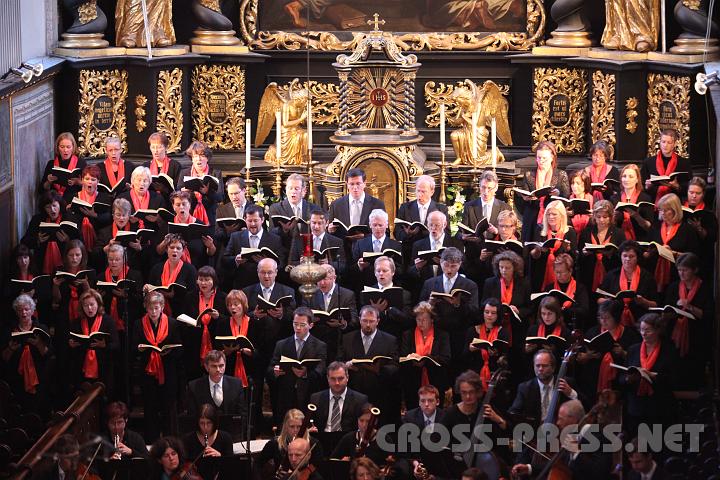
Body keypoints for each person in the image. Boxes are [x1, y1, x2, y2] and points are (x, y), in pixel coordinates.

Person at [511, 399, 612, 479]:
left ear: (574, 419)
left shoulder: (598, 435)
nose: (558, 423)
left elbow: (600, 473)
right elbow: (559, 466)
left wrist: (577, 452)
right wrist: (529, 468)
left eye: (561, 419)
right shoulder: (573, 436)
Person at [419, 247, 479, 375]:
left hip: (459, 333)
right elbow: (419, 311)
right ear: (440, 263)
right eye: (446, 265)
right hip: (436, 334)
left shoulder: (470, 285)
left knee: (457, 369)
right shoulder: (429, 283)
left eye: (454, 266)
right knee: (437, 370)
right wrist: (430, 304)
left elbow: (475, 313)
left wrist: (458, 304)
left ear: (460, 264)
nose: (449, 269)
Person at [618, 313, 679, 437]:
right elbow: (621, 377)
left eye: (647, 330)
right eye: (641, 330)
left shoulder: (668, 351)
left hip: (659, 407)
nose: (643, 333)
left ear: (658, 330)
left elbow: (674, 379)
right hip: (636, 407)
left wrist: (653, 376)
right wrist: (627, 379)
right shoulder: (633, 350)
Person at [133, 291, 182, 442]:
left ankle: (170, 441)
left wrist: (168, 352)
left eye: (156, 307)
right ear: (145, 308)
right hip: (148, 373)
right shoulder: (138, 324)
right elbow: (134, 347)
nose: (153, 311)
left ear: (162, 307)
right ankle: (151, 441)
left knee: (168, 409)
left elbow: (180, 349)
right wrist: (140, 350)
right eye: (150, 308)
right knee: (150, 408)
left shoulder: (172, 323)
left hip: (167, 372)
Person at [339, 306, 399, 423]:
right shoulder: (347, 338)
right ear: (359, 320)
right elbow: (338, 361)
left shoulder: (390, 340)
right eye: (364, 320)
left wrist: (380, 369)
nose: (367, 324)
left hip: (380, 392)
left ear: (378, 321)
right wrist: (346, 366)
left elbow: (395, 365)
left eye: (371, 321)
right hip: (354, 391)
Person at [268, 307, 327, 426]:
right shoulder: (282, 344)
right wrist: (275, 371)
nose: (298, 328)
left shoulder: (320, 346)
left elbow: (320, 371)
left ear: (311, 325)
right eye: (295, 324)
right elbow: (270, 369)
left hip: (308, 395)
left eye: (302, 324)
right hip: (285, 395)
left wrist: (305, 374)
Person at [662, 253, 713, 390]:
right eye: (679, 270)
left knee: (695, 374)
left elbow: (708, 315)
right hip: (675, 336)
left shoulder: (705, 288)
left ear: (695, 270)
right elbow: (667, 309)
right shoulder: (674, 287)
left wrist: (689, 306)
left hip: (697, 337)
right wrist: (668, 314)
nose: (681, 273)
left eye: (685, 270)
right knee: (676, 372)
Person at [576, 300, 641, 404]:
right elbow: (579, 357)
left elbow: (637, 360)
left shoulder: (629, 335)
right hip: (592, 382)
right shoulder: (592, 332)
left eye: (607, 318)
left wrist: (623, 353)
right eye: (600, 317)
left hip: (618, 384)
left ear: (616, 318)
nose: (603, 321)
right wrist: (587, 356)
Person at [1, 294, 53, 418]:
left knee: (40, 412)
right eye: (20, 310)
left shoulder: (41, 328)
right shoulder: (9, 331)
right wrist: (11, 349)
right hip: (16, 380)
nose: (23, 313)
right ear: (16, 311)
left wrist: (38, 344)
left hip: (39, 379)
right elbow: (4, 358)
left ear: (32, 310)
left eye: (26, 309)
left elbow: (48, 354)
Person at [508, 350, 580, 427]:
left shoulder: (567, 382)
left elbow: (585, 406)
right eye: (537, 365)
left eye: (545, 366)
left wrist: (570, 393)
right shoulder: (525, 388)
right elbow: (514, 412)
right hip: (535, 433)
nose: (540, 369)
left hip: (562, 432)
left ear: (553, 368)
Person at [399, 302, 451, 410]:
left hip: (435, 380)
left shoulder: (442, 335)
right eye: (418, 319)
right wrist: (411, 358)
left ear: (432, 319)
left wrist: (427, 359)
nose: (420, 323)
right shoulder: (408, 334)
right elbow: (402, 356)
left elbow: (446, 358)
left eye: (424, 319)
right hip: (413, 381)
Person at [516, 141, 570, 242]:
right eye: (539, 157)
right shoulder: (529, 175)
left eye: (544, 158)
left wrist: (558, 194)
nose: (541, 161)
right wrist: (526, 198)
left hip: (552, 216)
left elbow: (566, 196)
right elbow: (523, 198)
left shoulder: (561, 175)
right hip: (532, 215)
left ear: (552, 158)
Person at [68, 289, 119, 395]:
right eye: (86, 306)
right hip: (82, 368)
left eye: (92, 304)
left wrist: (104, 345)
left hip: (103, 368)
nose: (89, 308)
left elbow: (116, 345)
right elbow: (70, 345)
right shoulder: (76, 323)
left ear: (98, 304)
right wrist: (71, 345)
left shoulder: (108, 321)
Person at [180, 266, 227, 380]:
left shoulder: (223, 297)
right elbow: (183, 316)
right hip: (194, 343)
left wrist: (218, 317)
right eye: (200, 279)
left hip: (215, 343)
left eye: (207, 280)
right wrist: (188, 322)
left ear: (214, 280)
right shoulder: (190, 296)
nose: (203, 283)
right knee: (194, 378)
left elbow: (229, 321)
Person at [223, 204, 285, 289]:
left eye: (255, 220)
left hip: (266, 286)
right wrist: (236, 260)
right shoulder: (235, 237)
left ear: (262, 219)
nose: (252, 224)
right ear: (245, 220)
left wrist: (266, 263)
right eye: (249, 220)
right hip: (242, 285)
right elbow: (225, 260)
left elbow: (281, 263)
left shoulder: (274, 239)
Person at [303, 264, 357, 361]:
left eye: (326, 279)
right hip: (316, 338)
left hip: (338, 339)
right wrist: (309, 320)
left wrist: (343, 324)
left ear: (334, 278)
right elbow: (302, 315)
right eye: (319, 279)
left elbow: (354, 320)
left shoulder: (347, 295)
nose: (322, 283)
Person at [646, 193, 698, 293]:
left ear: (675, 210)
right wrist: (648, 252)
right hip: (654, 273)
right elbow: (648, 246)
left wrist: (673, 253)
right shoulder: (655, 227)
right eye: (661, 210)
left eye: (666, 210)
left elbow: (693, 257)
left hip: (677, 275)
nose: (662, 213)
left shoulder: (687, 230)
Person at [598, 240, 657, 327]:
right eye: (624, 256)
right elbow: (599, 299)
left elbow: (655, 304)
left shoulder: (647, 277)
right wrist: (609, 301)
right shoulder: (612, 274)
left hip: (640, 320)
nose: (627, 259)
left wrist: (644, 301)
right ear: (620, 256)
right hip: (615, 320)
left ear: (637, 258)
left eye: (631, 256)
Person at [394, 175, 448, 268]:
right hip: (410, 254)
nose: (420, 194)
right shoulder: (405, 207)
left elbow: (447, 232)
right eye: (418, 191)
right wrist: (408, 233)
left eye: (423, 191)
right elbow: (397, 232)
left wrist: (430, 232)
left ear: (432, 191)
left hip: (433, 253)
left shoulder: (441, 209)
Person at [21, 191, 80, 276]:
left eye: (54, 206)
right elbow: (24, 242)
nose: (52, 210)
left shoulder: (70, 218)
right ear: (44, 208)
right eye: (48, 207)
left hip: (66, 263)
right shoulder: (37, 219)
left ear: (60, 205)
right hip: (41, 264)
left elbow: (80, 243)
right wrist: (37, 240)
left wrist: (68, 240)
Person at [256, 409, 324, 479]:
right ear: (285, 427)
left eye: (299, 427)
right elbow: (257, 464)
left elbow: (318, 466)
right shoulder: (275, 443)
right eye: (292, 426)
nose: (295, 430)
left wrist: (305, 472)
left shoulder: (314, 444)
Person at [157, 190, 216, 270]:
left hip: (197, 268)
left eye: (184, 204)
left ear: (190, 205)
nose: (181, 207)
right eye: (178, 205)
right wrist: (165, 242)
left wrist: (210, 246)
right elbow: (159, 252)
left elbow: (211, 253)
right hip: (172, 268)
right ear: (173, 207)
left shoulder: (200, 225)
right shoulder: (167, 225)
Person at [527, 200, 577, 292]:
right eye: (548, 214)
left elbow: (574, 259)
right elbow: (533, 256)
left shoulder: (570, 232)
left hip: (561, 275)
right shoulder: (540, 230)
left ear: (561, 216)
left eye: (554, 214)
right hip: (541, 274)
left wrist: (568, 250)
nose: (551, 217)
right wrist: (538, 250)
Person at [65, 164, 113, 259]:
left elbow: (110, 218)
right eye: (87, 179)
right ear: (82, 180)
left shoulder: (104, 198)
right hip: (78, 238)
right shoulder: (72, 197)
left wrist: (95, 215)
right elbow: (68, 221)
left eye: (93, 180)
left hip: (99, 240)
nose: (89, 182)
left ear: (98, 182)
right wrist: (69, 211)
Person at [578, 200, 626, 294]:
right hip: (589, 274)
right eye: (598, 217)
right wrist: (584, 253)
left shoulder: (618, 233)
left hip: (611, 274)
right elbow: (579, 257)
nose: (601, 220)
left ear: (611, 217)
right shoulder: (586, 232)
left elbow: (623, 256)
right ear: (594, 217)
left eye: (605, 217)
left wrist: (610, 254)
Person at [269, 173, 320, 260]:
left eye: (297, 188)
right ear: (286, 190)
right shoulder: (276, 208)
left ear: (303, 191)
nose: (293, 191)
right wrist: (284, 230)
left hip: (308, 253)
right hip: (286, 254)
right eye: (290, 188)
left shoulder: (313, 208)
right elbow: (272, 234)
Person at [145, 234, 197, 317]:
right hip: (157, 312)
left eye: (178, 248)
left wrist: (173, 296)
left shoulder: (190, 269)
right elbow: (150, 289)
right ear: (166, 249)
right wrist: (147, 288)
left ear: (183, 251)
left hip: (181, 313)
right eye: (172, 247)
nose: (175, 250)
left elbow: (193, 295)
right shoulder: (157, 268)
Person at [350, 209, 403, 290]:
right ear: (370, 225)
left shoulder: (396, 245)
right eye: (374, 225)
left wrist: (389, 268)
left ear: (386, 225)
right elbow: (351, 269)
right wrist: (359, 266)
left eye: (380, 225)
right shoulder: (360, 244)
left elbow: (401, 270)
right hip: (365, 286)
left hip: (388, 288)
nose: (377, 228)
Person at [463, 298, 509, 389]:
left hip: (494, 373)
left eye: (493, 313)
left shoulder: (503, 332)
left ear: (498, 315)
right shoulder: (472, 330)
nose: (489, 315)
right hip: (474, 372)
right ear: (482, 312)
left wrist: (497, 355)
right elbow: (463, 356)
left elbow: (506, 357)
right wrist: (470, 349)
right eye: (486, 312)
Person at [309, 361, 368, 433]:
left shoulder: (360, 400)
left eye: (340, 378)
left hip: (348, 441)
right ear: (328, 379)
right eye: (333, 379)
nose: (337, 383)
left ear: (347, 378)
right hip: (322, 439)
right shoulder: (316, 398)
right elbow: (310, 423)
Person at [187, 349, 247, 419]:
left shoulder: (236, 384)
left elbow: (242, 415)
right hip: (205, 428)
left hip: (230, 428)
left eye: (221, 366)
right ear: (206, 367)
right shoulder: (194, 386)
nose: (218, 369)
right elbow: (192, 416)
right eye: (214, 366)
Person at [408, 210, 463, 286]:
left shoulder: (455, 243)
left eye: (437, 225)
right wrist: (417, 267)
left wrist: (445, 264)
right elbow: (409, 272)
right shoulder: (418, 245)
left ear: (444, 224)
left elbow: (463, 268)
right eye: (431, 225)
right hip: (425, 287)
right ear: (427, 225)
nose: (433, 228)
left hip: (449, 285)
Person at [178, 140, 224, 227]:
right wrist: (183, 193)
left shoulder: (215, 173)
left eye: (202, 156)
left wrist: (207, 192)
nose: (198, 159)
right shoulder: (184, 173)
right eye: (195, 156)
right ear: (192, 159)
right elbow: (176, 193)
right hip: (189, 214)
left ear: (207, 158)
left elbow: (220, 197)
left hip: (210, 216)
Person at [367, 256, 414, 340]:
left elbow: (408, 321)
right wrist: (376, 311)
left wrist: (392, 310)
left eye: (385, 271)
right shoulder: (367, 292)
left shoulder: (404, 294)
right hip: (374, 338)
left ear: (393, 272)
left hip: (396, 336)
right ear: (374, 273)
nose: (381, 273)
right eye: (378, 271)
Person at [289, 209, 346, 277]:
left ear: (326, 223)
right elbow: (290, 264)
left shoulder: (337, 242)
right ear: (309, 222)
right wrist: (300, 263)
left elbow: (343, 266)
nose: (316, 227)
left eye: (320, 223)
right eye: (313, 223)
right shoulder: (299, 240)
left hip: (326, 279)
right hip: (305, 279)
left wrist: (328, 263)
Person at [94, 198, 145, 271]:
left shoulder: (136, 232)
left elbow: (146, 259)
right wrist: (107, 248)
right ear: (113, 216)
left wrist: (140, 249)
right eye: (118, 215)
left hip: (131, 271)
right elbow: (95, 256)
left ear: (129, 216)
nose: (121, 218)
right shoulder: (104, 232)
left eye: (124, 215)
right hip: (109, 270)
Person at [641, 129, 691, 203]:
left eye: (669, 142)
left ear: (674, 144)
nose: (665, 145)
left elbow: (689, 188)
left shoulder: (683, 163)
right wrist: (647, 187)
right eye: (663, 142)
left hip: (675, 203)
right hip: (653, 203)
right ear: (660, 143)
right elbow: (641, 186)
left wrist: (677, 186)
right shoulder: (648, 162)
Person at [542, 253, 589, 330]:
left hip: (572, 327)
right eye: (556, 272)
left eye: (561, 272)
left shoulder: (579, 288)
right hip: (552, 327)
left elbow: (584, 311)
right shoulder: (549, 288)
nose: (558, 275)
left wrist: (563, 310)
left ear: (570, 271)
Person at [683, 177, 717, 282]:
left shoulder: (709, 214)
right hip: (682, 253)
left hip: (701, 257)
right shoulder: (679, 209)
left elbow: (712, 238)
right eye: (691, 192)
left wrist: (699, 228)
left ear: (703, 194)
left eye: (698, 193)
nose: (694, 196)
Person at [612, 164, 653, 241]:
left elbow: (649, 227)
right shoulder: (614, 198)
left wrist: (637, 216)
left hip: (640, 239)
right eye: (624, 176)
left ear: (637, 179)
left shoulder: (645, 198)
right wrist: (613, 218)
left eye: (631, 176)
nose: (627, 179)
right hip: (619, 240)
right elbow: (611, 226)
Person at [38, 132, 86, 197]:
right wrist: (48, 182)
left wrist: (78, 182)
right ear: (58, 148)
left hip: (73, 199)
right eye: (62, 147)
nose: (65, 150)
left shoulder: (81, 163)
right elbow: (41, 190)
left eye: (68, 147)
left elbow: (89, 187)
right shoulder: (51, 164)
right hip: (55, 200)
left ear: (73, 147)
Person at [143, 132, 182, 201]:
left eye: (159, 147)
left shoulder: (175, 165)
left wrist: (165, 189)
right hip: (150, 201)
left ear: (166, 148)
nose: (155, 151)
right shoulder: (145, 166)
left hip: (169, 201)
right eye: (153, 147)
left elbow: (178, 189)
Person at [567, 169, 593, 237]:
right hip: (572, 237)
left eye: (578, 183)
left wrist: (593, 216)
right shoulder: (567, 200)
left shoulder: (594, 201)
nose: (574, 186)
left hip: (588, 237)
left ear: (585, 184)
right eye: (572, 183)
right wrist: (565, 215)